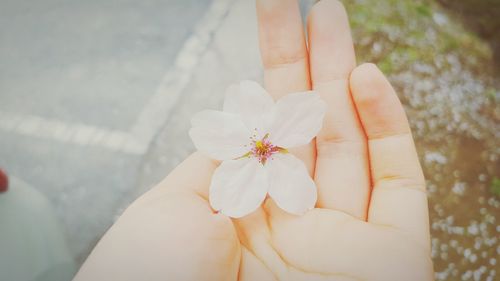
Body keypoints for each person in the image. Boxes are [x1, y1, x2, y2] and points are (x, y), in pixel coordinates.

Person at [73, 0, 433, 280]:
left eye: (262, 146)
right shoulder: (247, 150)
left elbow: (289, 123)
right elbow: (230, 135)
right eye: (260, 146)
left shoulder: (279, 146)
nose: (261, 147)